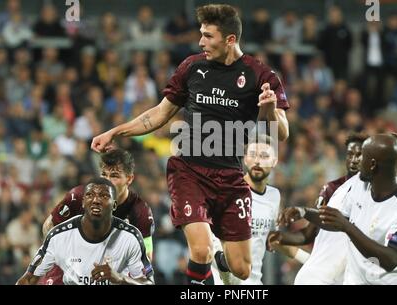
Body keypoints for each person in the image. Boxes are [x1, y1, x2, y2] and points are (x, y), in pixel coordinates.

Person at [91, 4, 289, 285]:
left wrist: (268, 110)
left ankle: (222, 264)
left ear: (230, 39)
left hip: (231, 178)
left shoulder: (261, 75)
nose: (201, 42)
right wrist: (116, 131)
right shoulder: (192, 67)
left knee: (242, 269)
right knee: (201, 248)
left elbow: (281, 133)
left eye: (208, 36)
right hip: (190, 171)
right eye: (201, 34)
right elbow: (158, 115)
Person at [295, 134, 397, 284]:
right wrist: (304, 212)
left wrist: (347, 227)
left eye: (363, 156)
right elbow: (337, 220)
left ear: (372, 164)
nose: (358, 161)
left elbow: (391, 259)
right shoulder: (357, 185)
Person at [40, 148, 154, 285]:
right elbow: (49, 226)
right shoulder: (79, 196)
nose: (108, 181)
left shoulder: (140, 211)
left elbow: (146, 259)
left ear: (129, 179)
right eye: (104, 175)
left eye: (115, 176)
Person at [16, 178, 155, 285]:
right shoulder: (59, 236)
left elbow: (148, 282)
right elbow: (28, 280)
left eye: (104, 196)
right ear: (82, 202)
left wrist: (119, 279)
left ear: (114, 205)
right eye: (90, 195)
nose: (96, 200)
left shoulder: (131, 237)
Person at [270, 133, 367, 284]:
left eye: (359, 155)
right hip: (322, 274)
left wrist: (305, 212)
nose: (353, 160)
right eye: (350, 154)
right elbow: (308, 234)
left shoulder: (374, 193)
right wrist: (281, 237)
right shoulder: (331, 189)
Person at [212, 134, 280, 285]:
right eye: (253, 155)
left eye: (264, 156)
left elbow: (270, 237)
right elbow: (212, 239)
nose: (257, 161)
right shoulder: (228, 191)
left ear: (274, 161)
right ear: (245, 158)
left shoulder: (274, 196)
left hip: (255, 281)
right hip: (225, 280)